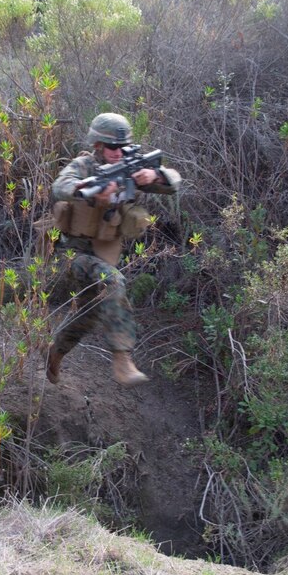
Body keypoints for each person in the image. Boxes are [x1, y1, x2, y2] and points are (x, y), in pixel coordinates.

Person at [46, 112, 181, 387]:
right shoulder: (84, 165)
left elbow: (175, 182)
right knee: (114, 281)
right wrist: (88, 190)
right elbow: (60, 185)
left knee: (89, 313)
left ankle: (54, 352)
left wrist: (154, 175)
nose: (117, 153)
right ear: (97, 145)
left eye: (122, 148)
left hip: (104, 254)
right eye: (111, 147)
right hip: (73, 255)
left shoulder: (130, 166)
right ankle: (122, 360)